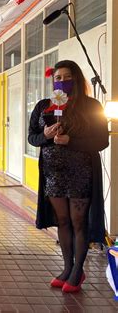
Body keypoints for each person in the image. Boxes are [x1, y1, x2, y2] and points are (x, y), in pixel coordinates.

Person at [28, 60, 109, 293]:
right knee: (62, 221)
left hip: (80, 173)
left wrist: (71, 141)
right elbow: (32, 138)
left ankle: (77, 272)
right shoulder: (44, 106)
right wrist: (44, 135)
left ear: (77, 78)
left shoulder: (91, 106)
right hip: (53, 175)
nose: (62, 82)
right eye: (58, 78)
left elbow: (102, 141)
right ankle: (67, 267)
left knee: (78, 222)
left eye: (67, 77)